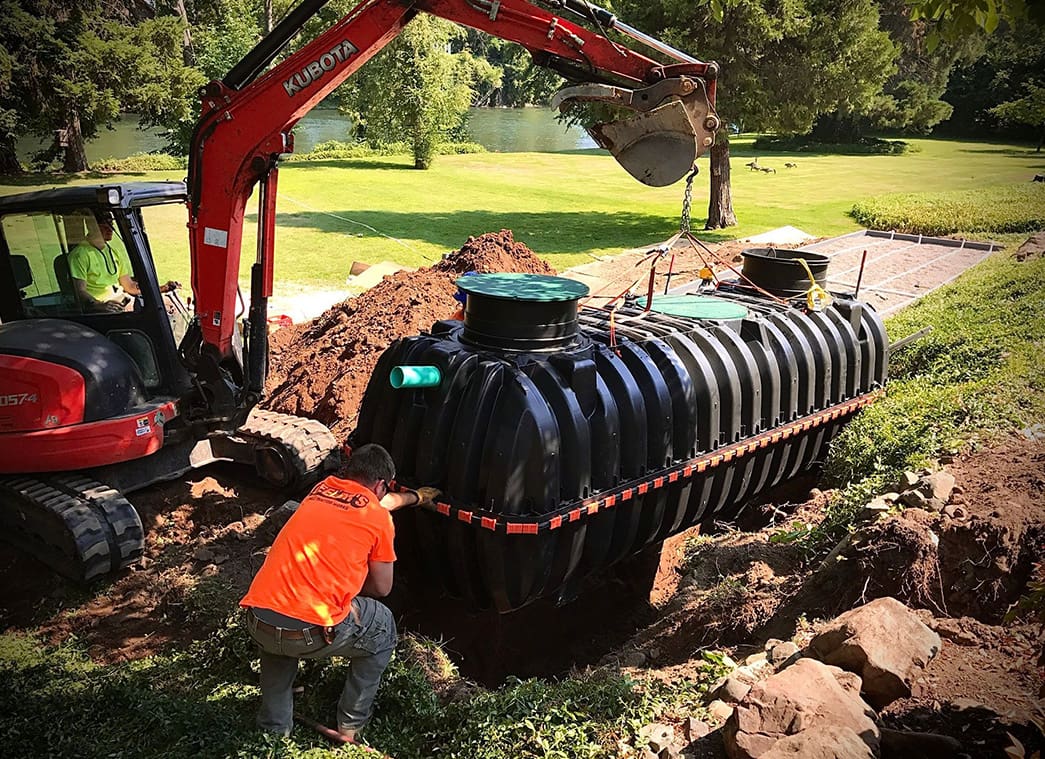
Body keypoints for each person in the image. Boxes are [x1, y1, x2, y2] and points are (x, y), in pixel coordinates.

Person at [240, 443, 440, 744]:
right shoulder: (379, 519)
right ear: (381, 485)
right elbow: (382, 588)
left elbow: (370, 503)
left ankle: (274, 728)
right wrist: (349, 583)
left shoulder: (322, 489)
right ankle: (351, 726)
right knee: (382, 625)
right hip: (310, 631)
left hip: (259, 621)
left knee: (280, 627)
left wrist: (415, 498)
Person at [67, 212, 179, 313]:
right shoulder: (80, 255)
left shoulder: (112, 252)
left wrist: (161, 289)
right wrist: (99, 305)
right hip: (103, 309)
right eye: (105, 225)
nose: (110, 229)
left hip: (121, 301)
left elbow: (129, 286)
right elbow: (79, 292)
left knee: (170, 305)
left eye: (111, 224)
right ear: (92, 226)